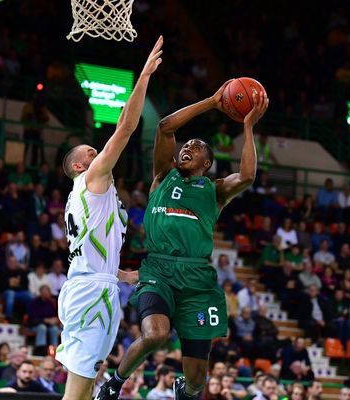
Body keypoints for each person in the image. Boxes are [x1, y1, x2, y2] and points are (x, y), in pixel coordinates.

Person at [96, 79, 269, 400]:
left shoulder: (215, 190)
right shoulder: (163, 175)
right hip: (159, 271)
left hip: (196, 279)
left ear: (208, 163)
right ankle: (113, 383)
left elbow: (247, 176)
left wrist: (247, 127)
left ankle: (184, 391)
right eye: (186, 145)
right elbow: (164, 127)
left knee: (197, 380)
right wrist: (213, 101)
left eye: (197, 147)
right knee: (155, 334)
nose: (188, 147)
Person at [55, 37, 162, 400]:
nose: (96, 148)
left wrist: (121, 273)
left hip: (94, 285)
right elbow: (126, 128)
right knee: (78, 388)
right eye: (90, 150)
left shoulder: (86, 195)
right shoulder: (91, 178)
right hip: (90, 292)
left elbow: (88, 250)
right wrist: (143, 76)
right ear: (80, 165)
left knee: (86, 384)